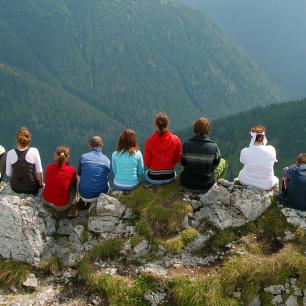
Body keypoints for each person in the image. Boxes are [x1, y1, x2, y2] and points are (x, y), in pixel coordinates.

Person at [180, 117, 227, 190]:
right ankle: (217, 186)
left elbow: (183, 163)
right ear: (208, 131)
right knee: (223, 162)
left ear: (194, 130)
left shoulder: (186, 144)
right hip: (207, 184)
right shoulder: (214, 146)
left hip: (187, 183)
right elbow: (216, 163)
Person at [144, 112, 181, 185]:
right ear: (167, 124)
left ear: (156, 125)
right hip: (169, 176)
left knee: (145, 174)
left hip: (153, 177)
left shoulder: (149, 141)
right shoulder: (175, 139)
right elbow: (177, 159)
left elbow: (146, 162)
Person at [238, 125, 278, 190]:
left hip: (247, 182)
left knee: (241, 172)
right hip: (266, 185)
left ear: (252, 138)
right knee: (276, 179)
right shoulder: (271, 149)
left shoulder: (245, 151)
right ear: (263, 137)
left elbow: (242, 161)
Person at [6, 127, 43, 194]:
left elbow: (8, 174)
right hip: (31, 188)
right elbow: (39, 172)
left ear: (17, 139)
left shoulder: (10, 153)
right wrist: (41, 185)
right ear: (29, 140)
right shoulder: (34, 151)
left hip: (15, 187)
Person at [43, 146, 77, 212]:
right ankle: (74, 206)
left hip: (46, 201)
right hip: (62, 207)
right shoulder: (71, 169)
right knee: (73, 187)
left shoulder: (49, 167)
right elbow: (74, 183)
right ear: (67, 157)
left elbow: (45, 181)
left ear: (55, 155)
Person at [77, 136, 111, 202]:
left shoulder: (83, 157)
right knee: (106, 180)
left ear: (89, 146)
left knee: (78, 176)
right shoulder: (107, 160)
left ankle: (80, 200)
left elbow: (79, 175)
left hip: (84, 195)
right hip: (101, 194)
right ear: (102, 146)